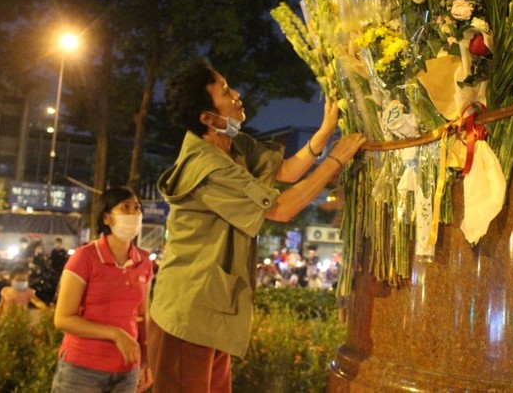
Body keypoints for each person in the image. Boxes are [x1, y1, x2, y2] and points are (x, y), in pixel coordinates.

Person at [147, 57, 366, 392]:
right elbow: (279, 208)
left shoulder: (234, 144)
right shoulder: (207, 164)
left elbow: (286, 171)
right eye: (224, 92)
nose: (236, 94)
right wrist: (336, 160)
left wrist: (323, 134)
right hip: (188, 311)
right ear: (207, 118)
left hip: (215, 307)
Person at [51, 187, 154, 393]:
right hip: (82, 370)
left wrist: (146, 360)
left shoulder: (143, 261)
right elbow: (63, 318)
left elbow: (143, 315)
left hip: (127, 371)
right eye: (125, 208)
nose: (133, 214)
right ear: (106, 218)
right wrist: (115, 334)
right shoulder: (85, 257)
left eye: (137, 209)